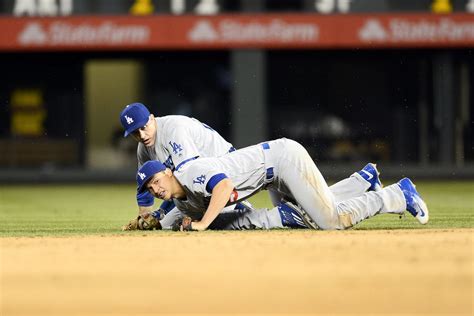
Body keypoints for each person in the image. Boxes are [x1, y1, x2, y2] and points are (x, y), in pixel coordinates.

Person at [135, 138, 429, 231]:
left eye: (156, 180)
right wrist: (156, 220)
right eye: (149, 188)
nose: (155, 188)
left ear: (168, 172)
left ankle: (396, 195)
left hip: (283, 161)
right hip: (270, 177)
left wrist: (199, 225)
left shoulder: (189, 172)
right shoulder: (178, 198)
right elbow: (181, 213)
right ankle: (362, 181)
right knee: (311, 210)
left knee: (330, 222)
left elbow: (223, 188)